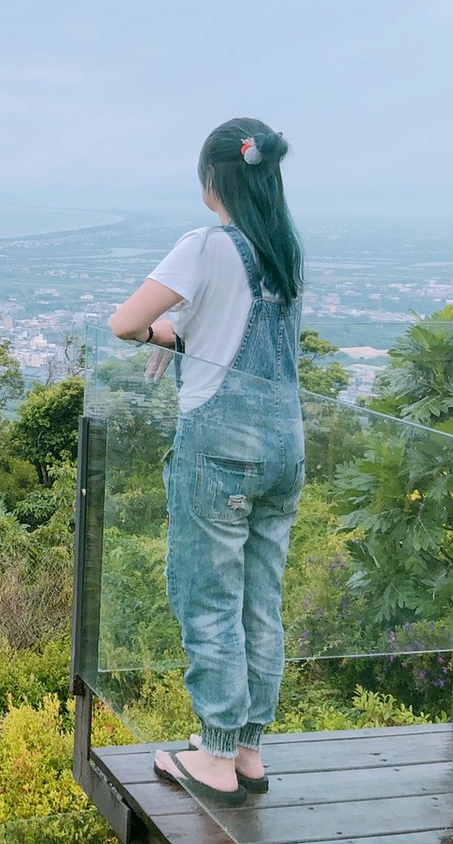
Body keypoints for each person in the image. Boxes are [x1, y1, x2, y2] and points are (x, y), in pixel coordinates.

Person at [108, 118, 305, 808]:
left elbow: (125, 324)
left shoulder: (207, 245)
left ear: (213, 180)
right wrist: (187, 332)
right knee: (261, 598)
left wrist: (167, 331)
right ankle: (247, 749)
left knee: (208, 594)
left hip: (220, 444)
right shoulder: (284, 249)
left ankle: (216, 757)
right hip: (286, 445)